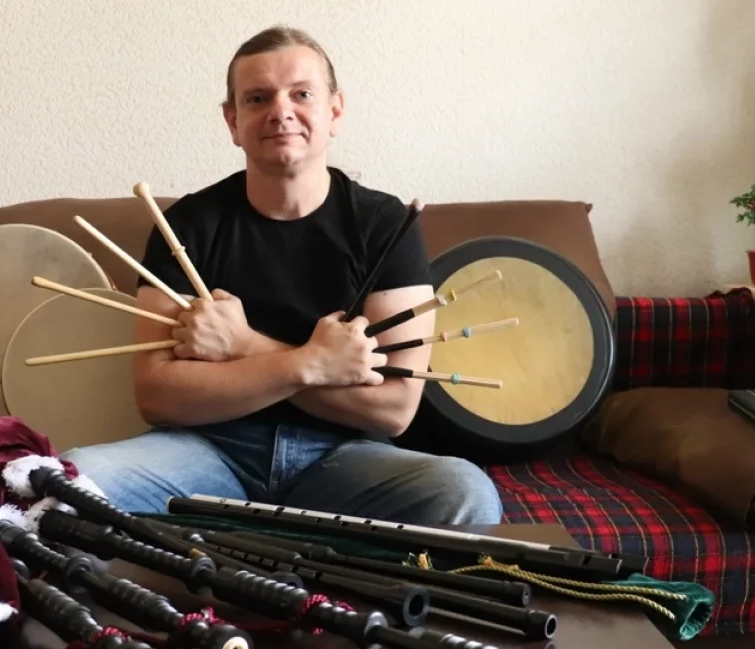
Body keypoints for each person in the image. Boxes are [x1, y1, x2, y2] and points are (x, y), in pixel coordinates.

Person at [60, 26, 503, 526]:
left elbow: (392, 409)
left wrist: (243, 345)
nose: (280, 111)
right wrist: (314, 364)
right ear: (233, 121)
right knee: (74, 479)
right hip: (207, 448)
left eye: (301, 94)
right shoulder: (184, 226)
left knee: (464, 493)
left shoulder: (387, 225)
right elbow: (158, 397)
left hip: (343, 457)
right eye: (257, 98)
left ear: (335, 111)